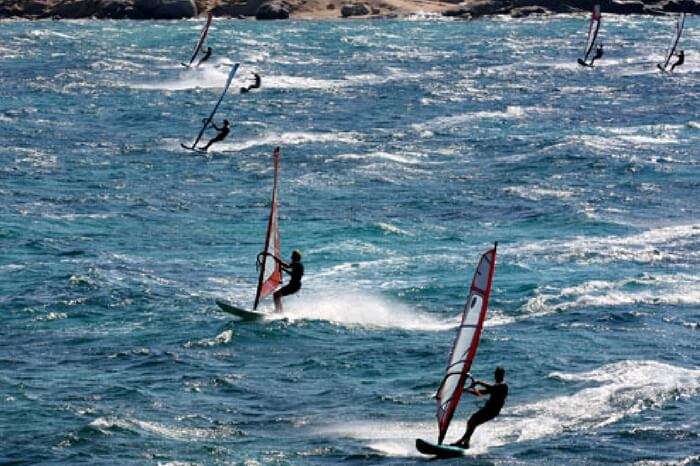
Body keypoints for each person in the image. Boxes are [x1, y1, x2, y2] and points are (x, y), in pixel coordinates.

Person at [451, 367, 508, 449]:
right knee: (471, 422)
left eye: (498, 374)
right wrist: (466, 390)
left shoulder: (503, 385)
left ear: (502, 375)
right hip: (487, 409)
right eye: (495, 374)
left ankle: (461, 441)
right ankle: (466, 443)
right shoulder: (496, 386)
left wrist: (479, 382)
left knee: (473, 422)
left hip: (492, 411)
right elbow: (480, 393)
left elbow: (491, 388)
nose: (496, 376)